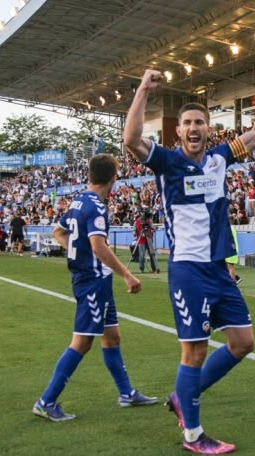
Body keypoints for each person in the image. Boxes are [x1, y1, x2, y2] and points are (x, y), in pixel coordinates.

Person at [123, 67, 255, 454]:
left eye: (200, 123)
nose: (194, 128)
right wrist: (143, 89)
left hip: (218, 267)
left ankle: (181, 397)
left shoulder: (221, 158)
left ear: (209, 129)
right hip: (188, 269)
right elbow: (130, 139)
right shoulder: (165, 162)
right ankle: (193, 436)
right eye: (188, 123)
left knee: (243, 342)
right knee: (194, 351)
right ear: (178, 131)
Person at [32, 154, 155, 422]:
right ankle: (46, 400)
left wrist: (76, 251)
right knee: (83, 341)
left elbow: (58, 231)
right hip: (93, 281)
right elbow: (99, 246)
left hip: (93, 279)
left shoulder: (78, 200)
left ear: (89, 175)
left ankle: (126, 393)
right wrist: (127, 275)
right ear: (113, 178)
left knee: (111, 337)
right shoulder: (97, 207)